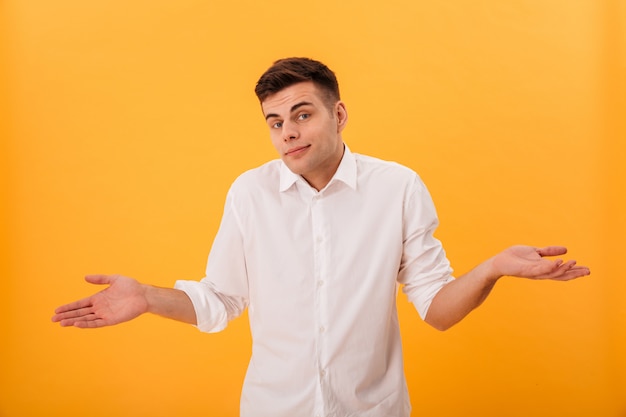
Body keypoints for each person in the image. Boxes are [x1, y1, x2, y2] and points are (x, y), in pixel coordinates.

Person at [52, 57, 590, 417]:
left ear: (339, 114)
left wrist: (493, 267)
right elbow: (220, 300)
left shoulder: (397, 187)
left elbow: (438, 309)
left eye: (302, 114)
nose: (287, 132)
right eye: (274, 121)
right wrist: (146, 297)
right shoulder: (249, 193)